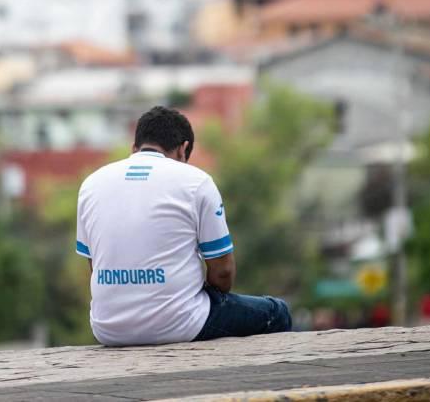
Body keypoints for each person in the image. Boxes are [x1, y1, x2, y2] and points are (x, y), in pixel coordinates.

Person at [76, 106, 292, 346]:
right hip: (179, 323)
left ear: (134, 147)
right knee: (278, 312)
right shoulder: (196, 182)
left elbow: (94, 264)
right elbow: (223, 272)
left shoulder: (91, 184)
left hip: (108, 328)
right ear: (183, 148)